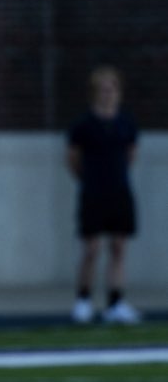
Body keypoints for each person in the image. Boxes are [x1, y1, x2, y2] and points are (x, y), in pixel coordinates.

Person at [67, 65, 140, 325]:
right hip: (93, 193)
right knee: (92, 248)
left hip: (119, 192)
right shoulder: (84, 125)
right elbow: (73, 160)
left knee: (118, 247)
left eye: (112, 89)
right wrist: (89, 180)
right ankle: (83, 300)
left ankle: (115, 302)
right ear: (95, 93)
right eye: (103, 90)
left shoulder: (126, 123)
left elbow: (131, 155)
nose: (108, 94)